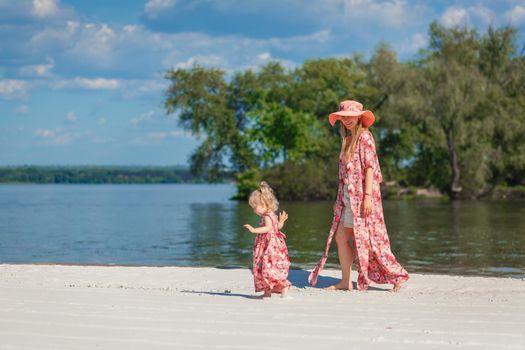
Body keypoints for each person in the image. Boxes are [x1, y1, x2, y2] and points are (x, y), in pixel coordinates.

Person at [309, 100, 409, 292]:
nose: (347, 120)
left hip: (364, 198)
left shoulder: (365, 137)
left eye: (350, 116)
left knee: (371, 240)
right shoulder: (347, 139)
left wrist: (368, 196)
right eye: (344, 117)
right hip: (348, 199)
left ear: (359, 117)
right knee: (341, 237)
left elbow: (370, 168)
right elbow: (345, 176)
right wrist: (340, 201)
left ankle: (397, 275)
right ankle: (345, 282)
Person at [243, 181, 292, 298]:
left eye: (255, 207)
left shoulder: (267, 216)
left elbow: (269, 228)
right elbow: (277, 228)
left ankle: (283, 289)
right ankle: (267, 292)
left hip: (269, 246)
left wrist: (254, 230)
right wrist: (281, 222)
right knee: (270, 267)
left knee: (268, 267)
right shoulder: (272, 215)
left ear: (263, 204)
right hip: (274, 246)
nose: (254, 210)